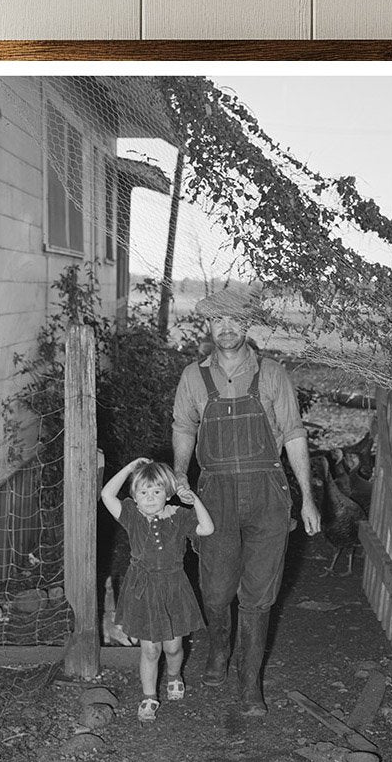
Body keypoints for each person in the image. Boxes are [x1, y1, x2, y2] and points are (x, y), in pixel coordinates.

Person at [172, 290, 321, 716]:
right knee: (216, 591)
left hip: (267, 493)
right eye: (218, 320)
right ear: (209, 326)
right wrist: (181, 471)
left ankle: (249, 682)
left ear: (248, 324)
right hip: (214, 493)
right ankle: (220, 648)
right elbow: (184, 426)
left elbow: (293, 434)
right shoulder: (193, 377)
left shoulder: (273, 374)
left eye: (234, 320)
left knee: (259, 595)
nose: (226, 328)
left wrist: (307, 497)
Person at [101, 457, 215, 722]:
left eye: (156, 491)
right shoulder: (131, 515)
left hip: (173, 587)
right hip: (143, 590)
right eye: (143, 492)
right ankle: (149, 695)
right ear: (135, 496)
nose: (150, 498)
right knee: (150, 649)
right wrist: (130, 468)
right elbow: (107, 493)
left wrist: (193, 499)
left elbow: (207, 528)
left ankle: (174, 676)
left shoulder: (178, 516)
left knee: (173, 647)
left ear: (167, 493)